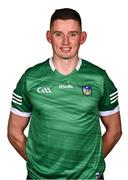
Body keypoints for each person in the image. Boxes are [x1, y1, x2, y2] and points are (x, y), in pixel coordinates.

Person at [7, 8, 122, 180]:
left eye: (73, 34)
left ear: (82, 37)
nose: (65, 42)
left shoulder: (99, 78)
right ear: (49, 36)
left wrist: (91, 163)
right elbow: (14, 132)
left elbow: (115, 130)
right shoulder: (30, 78)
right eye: (58, 34)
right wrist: (39, 164)